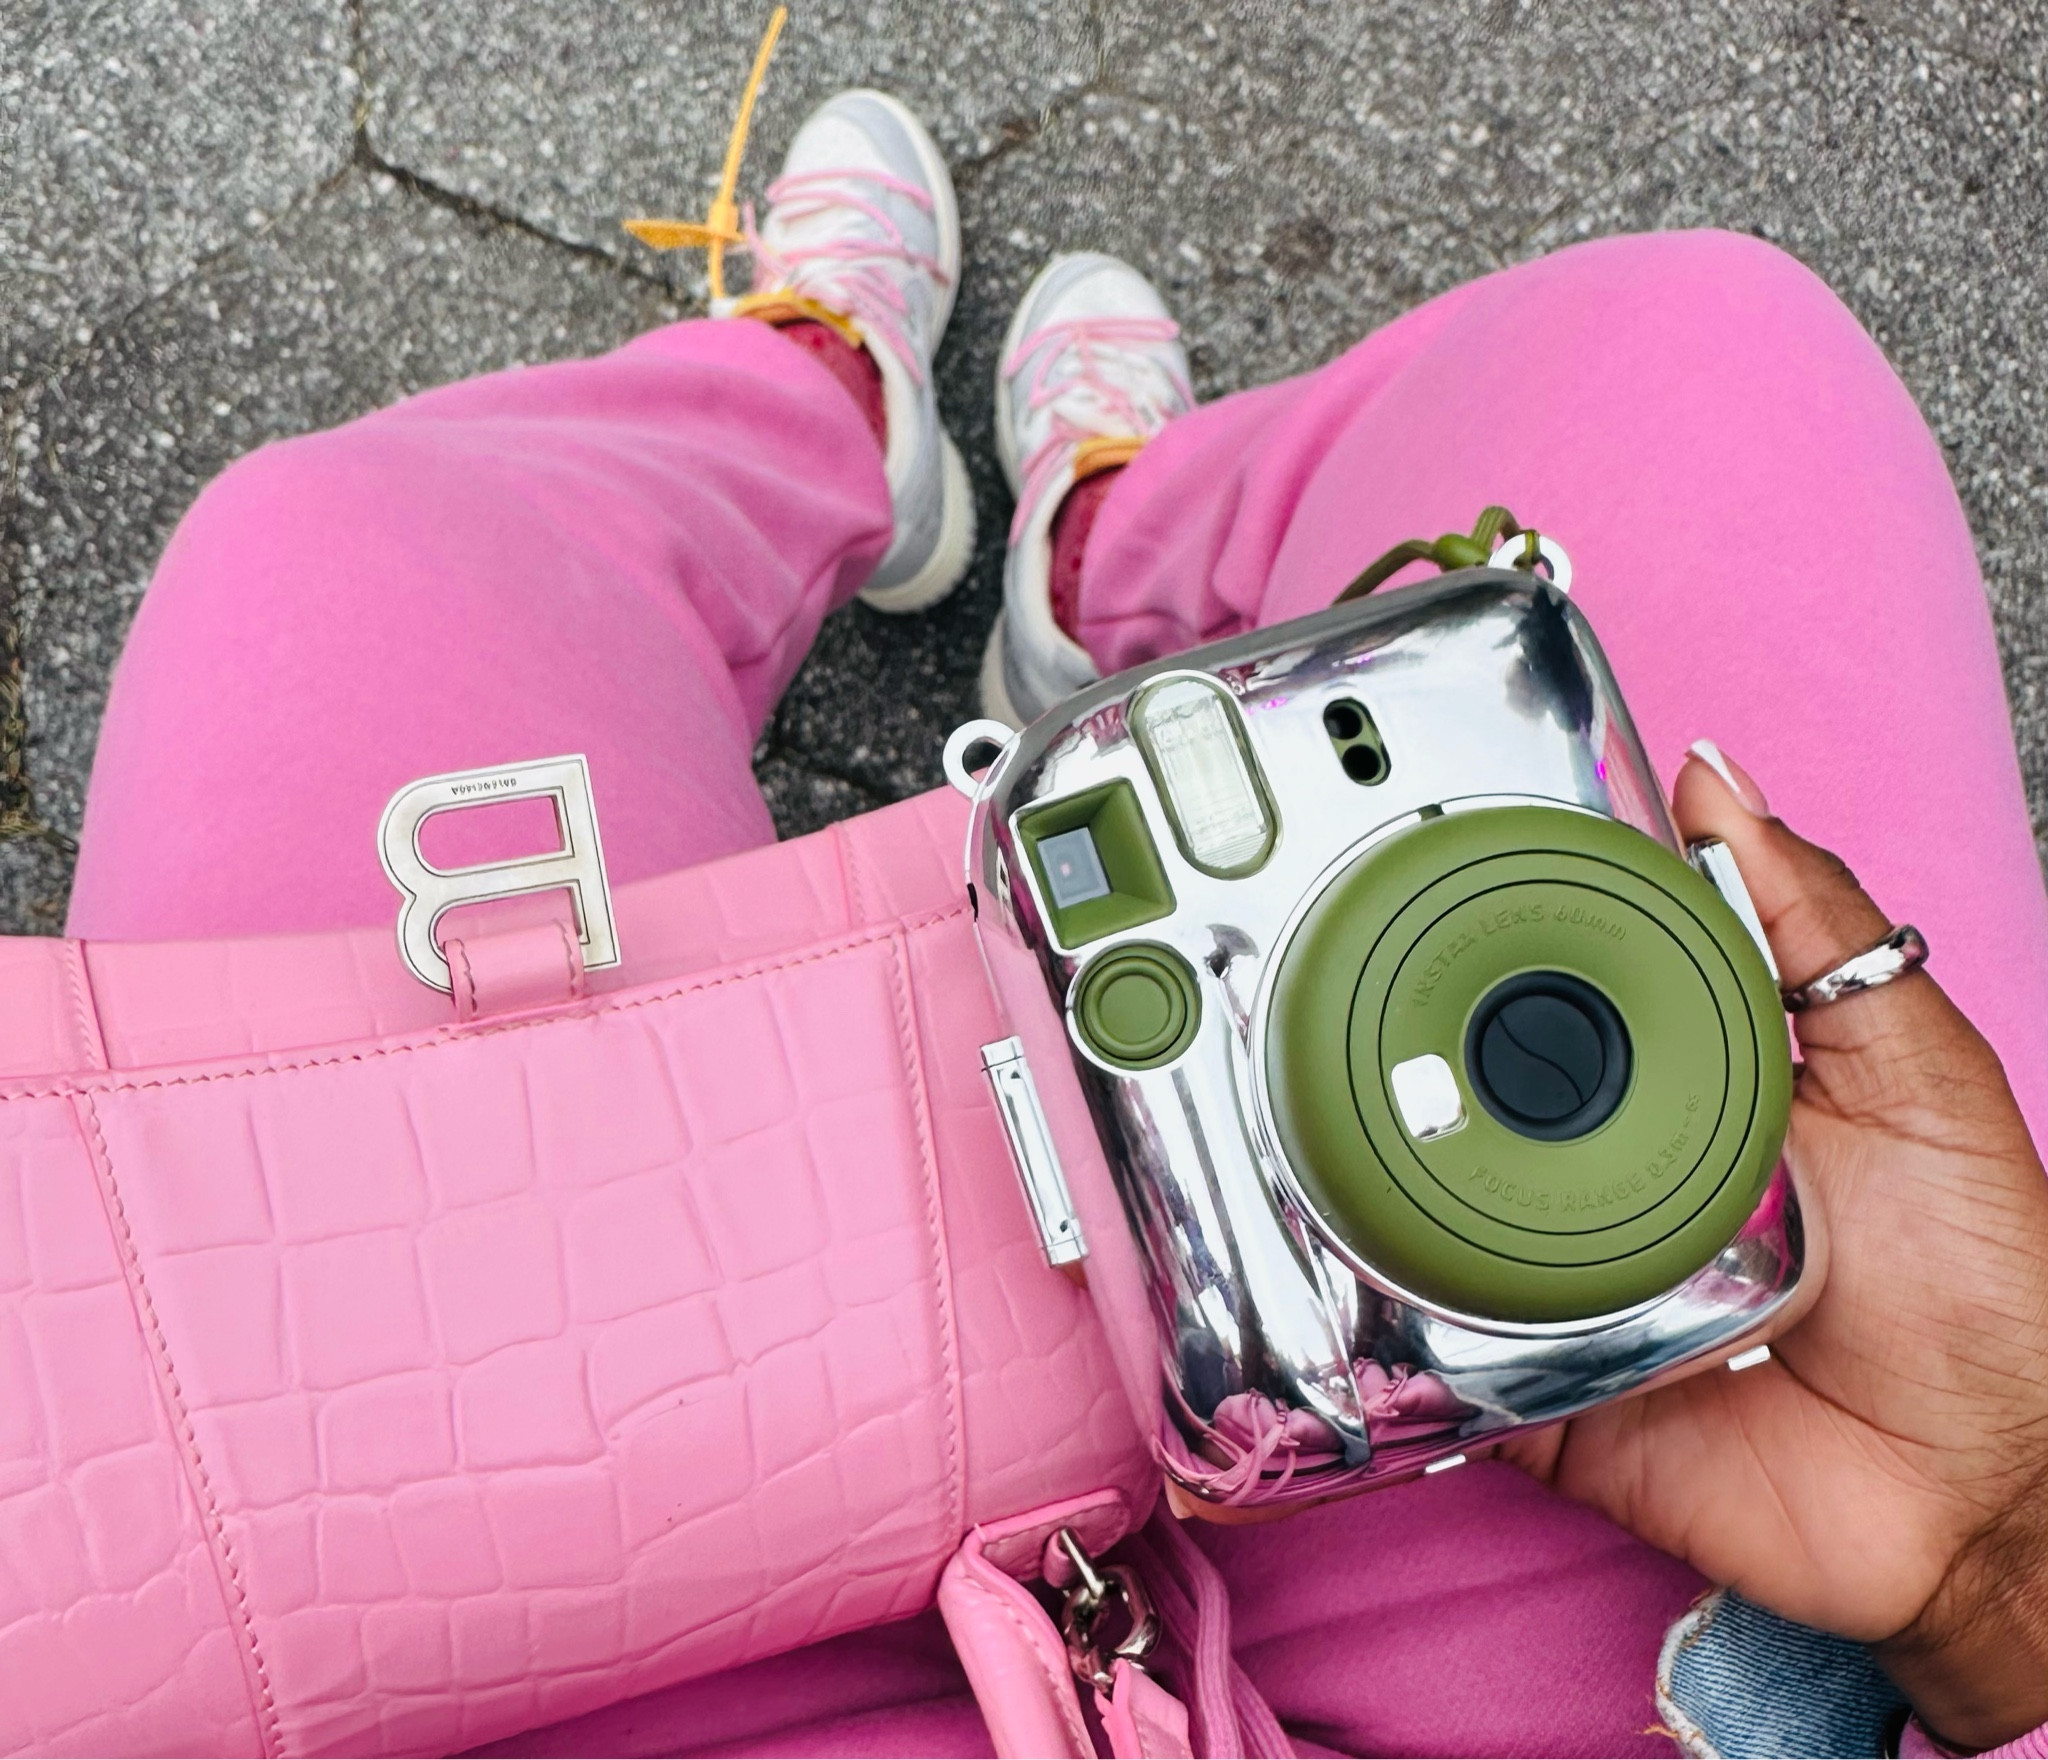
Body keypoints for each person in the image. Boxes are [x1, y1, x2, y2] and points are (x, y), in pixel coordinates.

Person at [61, 82, 2048, 1760]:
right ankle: (1111, 539)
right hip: (1663, 1597)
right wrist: (1988, 1571)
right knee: (1695, 352)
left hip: (419, 1625)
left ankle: (809, 408)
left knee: (331, 555)